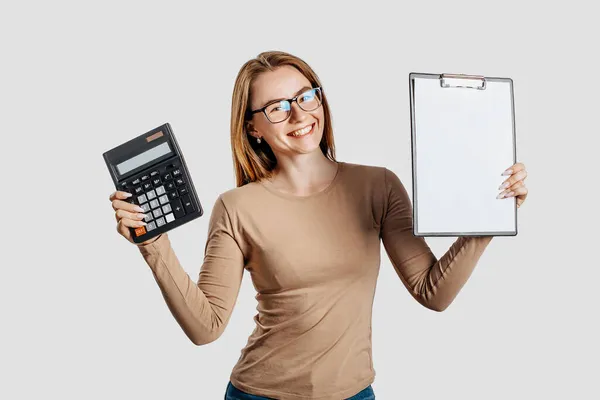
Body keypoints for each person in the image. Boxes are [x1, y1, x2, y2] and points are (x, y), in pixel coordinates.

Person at [108, 51, 529, 400]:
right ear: (253, 128)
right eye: (277, 107)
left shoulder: (378, 185)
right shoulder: (236, 207)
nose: (299, 114)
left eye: (307, 96)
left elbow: (432, 293)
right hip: (258, 395)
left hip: (354, 395)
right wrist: (154, 244)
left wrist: (488, 216)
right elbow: (206, 327)